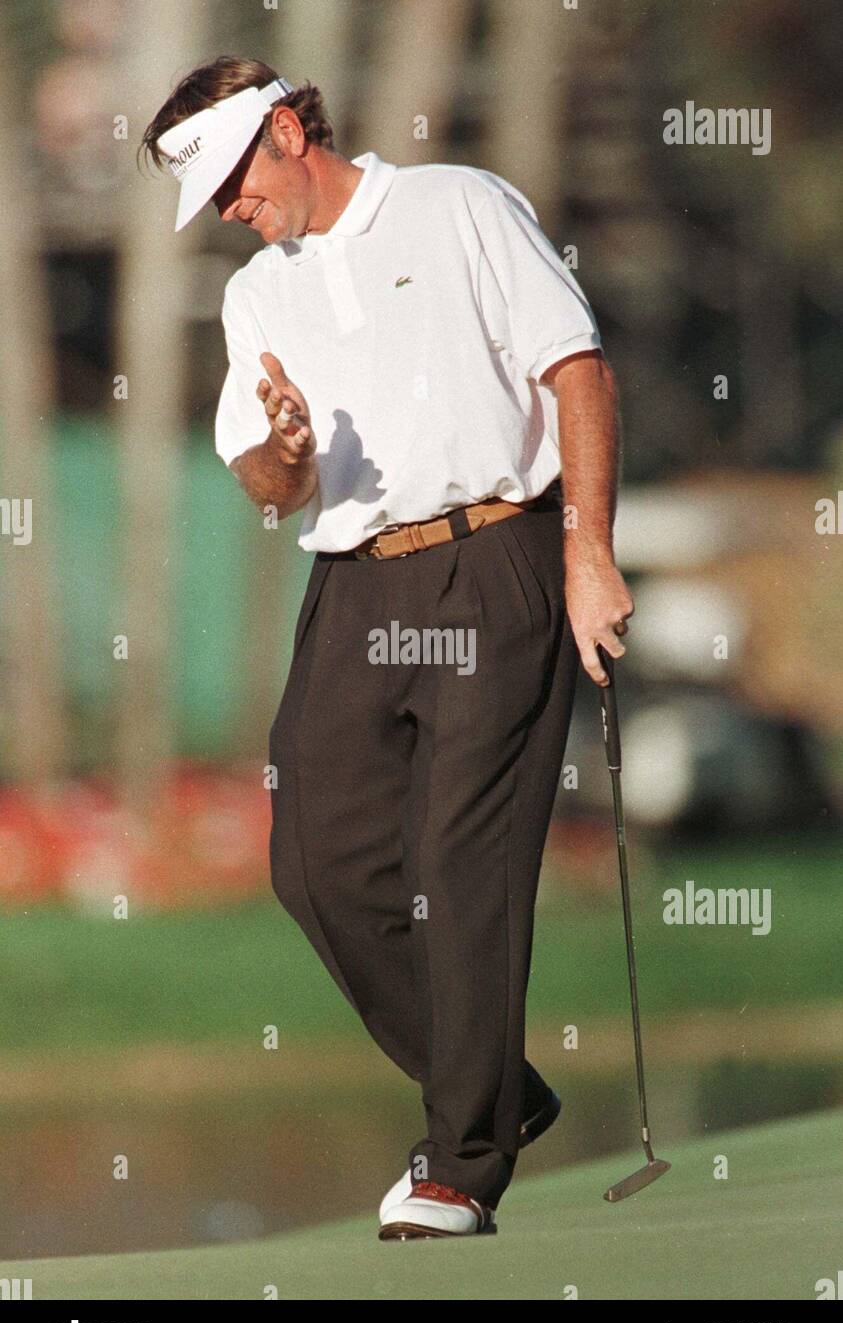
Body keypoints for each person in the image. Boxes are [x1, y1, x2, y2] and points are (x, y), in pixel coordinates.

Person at [140, 56, 633, 1240]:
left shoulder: (461, 204)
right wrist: (291, 454)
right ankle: (500, 1093)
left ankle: (462, 1160)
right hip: (352, 580)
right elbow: (265, 476)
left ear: (285, 131)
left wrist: (590, 554)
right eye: (208, 203)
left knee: (461, 864)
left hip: (494, 555)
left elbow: (578, 369)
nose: (228, 211)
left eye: (230, 184)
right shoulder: (257, 295)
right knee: (317, 863)